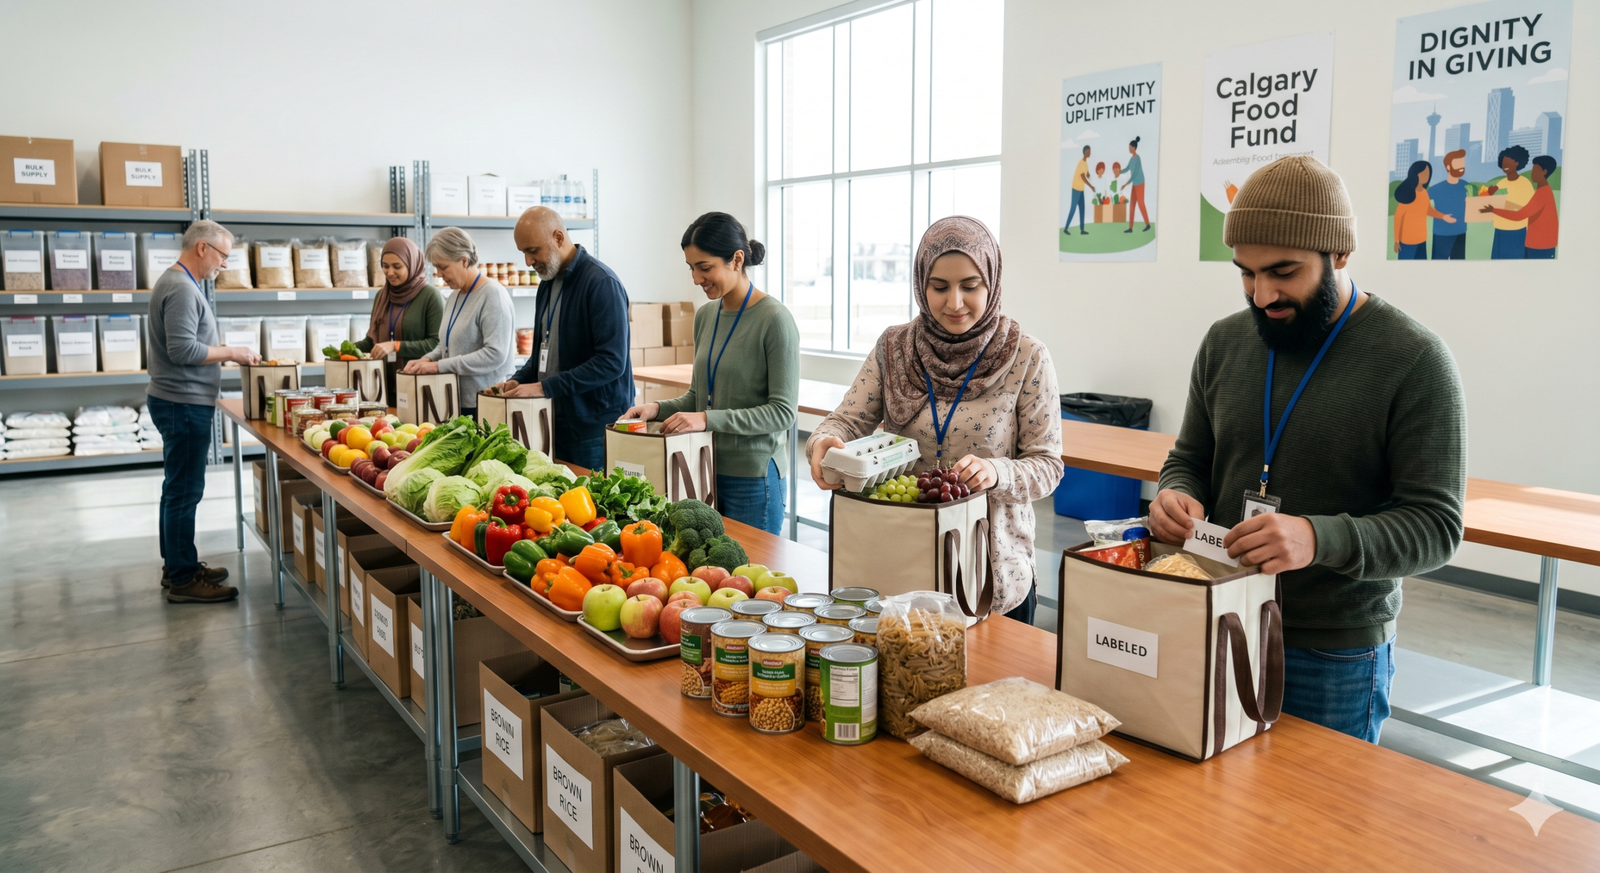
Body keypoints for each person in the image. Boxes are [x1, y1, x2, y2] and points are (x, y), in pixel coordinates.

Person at [1151, 155, 1466, 744]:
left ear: (1340, 253)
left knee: (1317, 832)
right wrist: (1176, 493)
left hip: (1333, 649)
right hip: (1218, 614)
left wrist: (1317, 538)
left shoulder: (1415, 359)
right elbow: (1190, 456)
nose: (1263, 293)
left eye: (1284, 272)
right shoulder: (1224, 342)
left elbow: (1436, 526)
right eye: (1245, 273)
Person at [808, 216, 1063, 623]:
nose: (954, 303)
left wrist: (996, 472)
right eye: (939, 287)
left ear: (992, 282)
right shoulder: (895, 347)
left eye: (971, 286)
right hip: (901, 563)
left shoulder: (1027, 356)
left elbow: (1048, 466)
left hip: (989, 570)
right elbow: (847, 419)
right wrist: (824, 440)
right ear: (920, 283)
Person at [621, 213, 799, 533]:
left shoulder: (775, 319)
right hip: (703, 466)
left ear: (737, 259)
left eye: (704, 268)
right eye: (691, 268)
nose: (696, 278)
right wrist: (656, 409)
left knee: (750, 576)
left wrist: (706, 419)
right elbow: (699, 396)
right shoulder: (705, 315)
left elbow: (782, 413)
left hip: (754, 478)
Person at [147, 220, 260, 604]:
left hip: (179, 401)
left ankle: (178, 564)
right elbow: (183, 351)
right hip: (182, 403)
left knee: (176, 488)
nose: (224, 265)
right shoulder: (180, 287)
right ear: (202, 249)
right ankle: (182, 578)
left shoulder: (180, 283)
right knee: (185, 491)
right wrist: (232, 352)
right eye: (222, 256)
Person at [493, 207, 632, 470]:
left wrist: (544, 388)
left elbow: (611, 362)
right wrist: (519, 379)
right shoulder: (547, 283)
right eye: (523, 252)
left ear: (558, 237)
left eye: (533, 250)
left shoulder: (601, 283)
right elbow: (544, 351)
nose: (528, 261)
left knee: (591, 507)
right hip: (554, 420)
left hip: (592, 429)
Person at [401, 227, 513, 421]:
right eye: (436, 267)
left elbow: (495, 354)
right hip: (452, 400)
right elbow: (445, 345)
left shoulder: (493, 295)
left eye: (443, 267)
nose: (439, 274)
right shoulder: (454, 296)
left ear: (463, 260)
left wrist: (439, 367)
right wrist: (427, 360)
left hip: (483, 404)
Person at [353, 237, 443, 403]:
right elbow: (372, 341)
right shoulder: (382, 296)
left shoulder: (430, 296)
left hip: (418, 387)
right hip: (382, 388)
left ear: (412, 264)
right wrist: (347, 350)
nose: (390, 272)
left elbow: (436, 344)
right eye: (385, 266)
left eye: (397, 266)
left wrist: (396, 346)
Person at [1481, 155, 1559, 259]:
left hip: (1540, 246)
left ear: (1544, 171)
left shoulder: (1543, 193)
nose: (1532, 173)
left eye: (1535, 170)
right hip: (1535, 243)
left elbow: (1520, 215)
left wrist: (1493, 210)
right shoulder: (1542, 191)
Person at [1391, 160, 1454, 260]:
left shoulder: (1424, 192)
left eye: (1428, 173)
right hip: (1407, 242)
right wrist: (1396, 241)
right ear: (1415, 174)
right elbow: (1398, 217)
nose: (1427, 176)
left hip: (1421, 240)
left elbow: (1428, 210)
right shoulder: (1408, 194)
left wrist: (1443, 216)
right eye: (1424, 173)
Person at [1483, 145, 1533, 259]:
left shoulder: (1525, 184)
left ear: (1517, 163)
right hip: (1500, 230)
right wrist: (1490, 195)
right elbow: (1494, 204)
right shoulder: (1501, 183)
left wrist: (1501, 205)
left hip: (1517, 232)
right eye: (1503, 163)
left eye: (1509, 162)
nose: (1505, 166)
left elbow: (1524, 209)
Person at [1428, 149, 1469, 259]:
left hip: (1460, 232)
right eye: (1458, 164)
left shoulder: (1466, 186)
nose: (1461, 166)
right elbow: (1422, 205)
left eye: (1462, 163)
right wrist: (1442, 216)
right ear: (1448, 167)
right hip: (1441, 234)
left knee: (1459, 267)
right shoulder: (1436, 189)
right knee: (1438, 267)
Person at [1122, 136, 1151, 233]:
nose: (1129, 149)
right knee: (1132, 205)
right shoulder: (1131, 159)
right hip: (1134, 184)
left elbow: (1134, 174)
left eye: (1130, 147)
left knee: (1141, 203)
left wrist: (1126, 183)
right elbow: (1127, 169)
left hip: (1140, 183)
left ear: (1134, 147)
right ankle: (1130, 227)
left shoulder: (1138, 158)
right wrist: (1119, 172)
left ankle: (1147, 224)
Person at [1064, 145, 1095, 235]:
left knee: (1082, 209)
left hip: (1081, 190)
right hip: (1076, 189)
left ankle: (1082, 230)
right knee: (1073, 209)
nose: (1090, 153)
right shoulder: (1081, 163)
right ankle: (1066, 228)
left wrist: (1092, 176)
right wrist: (1091, 186)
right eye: (1089, 151)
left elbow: (1087, 174)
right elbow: (1083, 177)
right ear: (1085, 152)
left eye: (1090, 151)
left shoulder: (1086, 163)